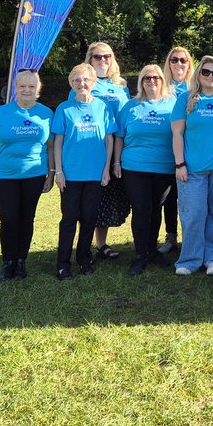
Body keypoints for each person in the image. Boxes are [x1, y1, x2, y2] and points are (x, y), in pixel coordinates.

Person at [0, 69, 54, 281]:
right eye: (22, 86)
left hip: (35, 173)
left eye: (31, 86)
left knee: (26, 218)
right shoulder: (2, 113)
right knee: (9, 218)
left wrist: (50, 174)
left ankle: (21, 261)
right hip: (5, 174)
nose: (26, 90)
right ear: (15, 89)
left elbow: (51, 147)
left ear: (38, 89)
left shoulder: (46, 114)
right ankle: (8, 262)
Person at [171, 55, 213, 276]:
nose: (210, 76)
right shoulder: (186, 99)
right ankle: (189, 260)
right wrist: (179, 163)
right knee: (193, 214)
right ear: (198, 74)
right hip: (192, 167)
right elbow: (177, 133)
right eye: (205, 72)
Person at [51, 63, 114, 279]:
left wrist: (106, 169)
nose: (81, 84)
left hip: (95, 174)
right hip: (71, 175)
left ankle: (84, 258)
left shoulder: (102, 107)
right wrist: (59, 172)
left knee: (89, 218)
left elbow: (109, 139)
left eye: (85, 80)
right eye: (76, 80)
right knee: (69, 219)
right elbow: (57, 141)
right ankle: (63, 262)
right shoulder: (64, 109)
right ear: (71, 84)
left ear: (93, 82)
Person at [114, 65, 177, 275]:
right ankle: (140, 255)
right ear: (141, 82)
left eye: (157, 78)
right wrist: (116, 163)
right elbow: (119, 137)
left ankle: (152, 250)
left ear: (163, 80)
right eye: (147, 78)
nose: (152, 82)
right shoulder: (130, 107)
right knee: (141, 210)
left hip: (165, 167)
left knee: (156, 210)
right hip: (135, 167)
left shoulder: (173, 105)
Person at [84, 42, 130, 261]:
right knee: (92, 196)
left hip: (118, 148)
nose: (103, 60)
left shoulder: (121, 85)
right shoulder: (84, 83)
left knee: (109, 197)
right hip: (92, 148)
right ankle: (86, 242)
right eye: (98, 57)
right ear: (90, 59)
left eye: (107, 56)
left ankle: (101, 243)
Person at [158, 46, 194, 254]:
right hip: (166, 151)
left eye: (183, 60)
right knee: (169, 197)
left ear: (189, 64)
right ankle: (171, 236)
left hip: (192, 150)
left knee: (191, 197)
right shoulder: (161, 86)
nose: (178, 64)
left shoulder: (194, 87)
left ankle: (193, 237)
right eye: (174, 60)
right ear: (168, 63)